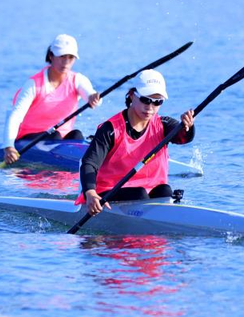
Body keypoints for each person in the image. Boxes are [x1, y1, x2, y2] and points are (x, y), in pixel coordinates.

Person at [78, 69, 195, 215]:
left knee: (165, 191)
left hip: (148, 193)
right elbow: (89, 163)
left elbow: (183, 138)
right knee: (140, 194)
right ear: (132, 95)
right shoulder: (110, 129)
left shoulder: (164, 125)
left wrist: (187, 126)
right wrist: (90, 193)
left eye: (157, 102)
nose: (150, 107)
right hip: (106, 195)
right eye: (146, 100)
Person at [2, 34, 101, 165]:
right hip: (28, 139)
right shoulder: (33, 84)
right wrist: (9, 147)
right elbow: (15, 116)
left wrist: (93, 98)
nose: (66, 62)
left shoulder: (78, 80)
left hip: (61, 140)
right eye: (62, 57)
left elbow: (92, 96)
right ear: (51, 56)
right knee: (55, 136)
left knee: (76, 135)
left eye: (70, 57)